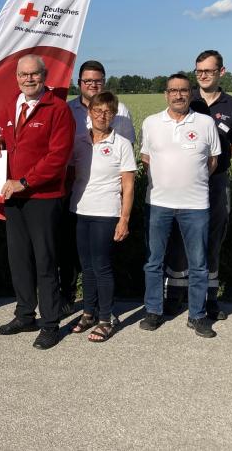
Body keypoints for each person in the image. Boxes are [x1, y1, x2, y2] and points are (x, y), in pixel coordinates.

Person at [0, 54, 75, 350]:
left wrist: (24, 182)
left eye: (34, 74)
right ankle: (25, 314)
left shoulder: (58, 109)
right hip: (13, 197)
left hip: (42, 197)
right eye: (23, 75)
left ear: (45, 75)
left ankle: (50, 323)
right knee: (19, 259)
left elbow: (57, 157)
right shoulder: (12, 105)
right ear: (17, 78)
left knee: (45, 262)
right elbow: (2, 138)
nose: (28, 79)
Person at [164, 50, 232, 320]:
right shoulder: (188, 98)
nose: (202, 75)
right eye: (199, 71)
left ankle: (209, 298)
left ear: (221, 72)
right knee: (178, 238)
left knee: (213, 238)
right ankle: (175, 296)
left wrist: (211, 155)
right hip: (184, 182)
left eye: (208, 71)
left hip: (217, 182)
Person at [139, 73, 221, 338]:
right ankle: (153, 310)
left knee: (198, 263)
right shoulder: (151, 123)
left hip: (196, 205)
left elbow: (212, 161)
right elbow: (146, 158)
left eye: (183, 90)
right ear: (166, 94)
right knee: (154, 261)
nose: (178, 95)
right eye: (173, 90)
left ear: (190, 93)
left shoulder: (206, 123)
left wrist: (189, 182)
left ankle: (197, 316)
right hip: (158, 203)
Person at [60, 60, 136, 313]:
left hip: (107, 206)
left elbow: (126, 169)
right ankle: (79, 306)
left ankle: (105, 315)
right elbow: (69, 162)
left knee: (101, 264)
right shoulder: (69, 111)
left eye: (97, 80)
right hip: (78, 201)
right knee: (79, 259)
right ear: (79, 83)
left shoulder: (121, 115)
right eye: (87, 80)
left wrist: (124, 217)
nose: (92, 84)